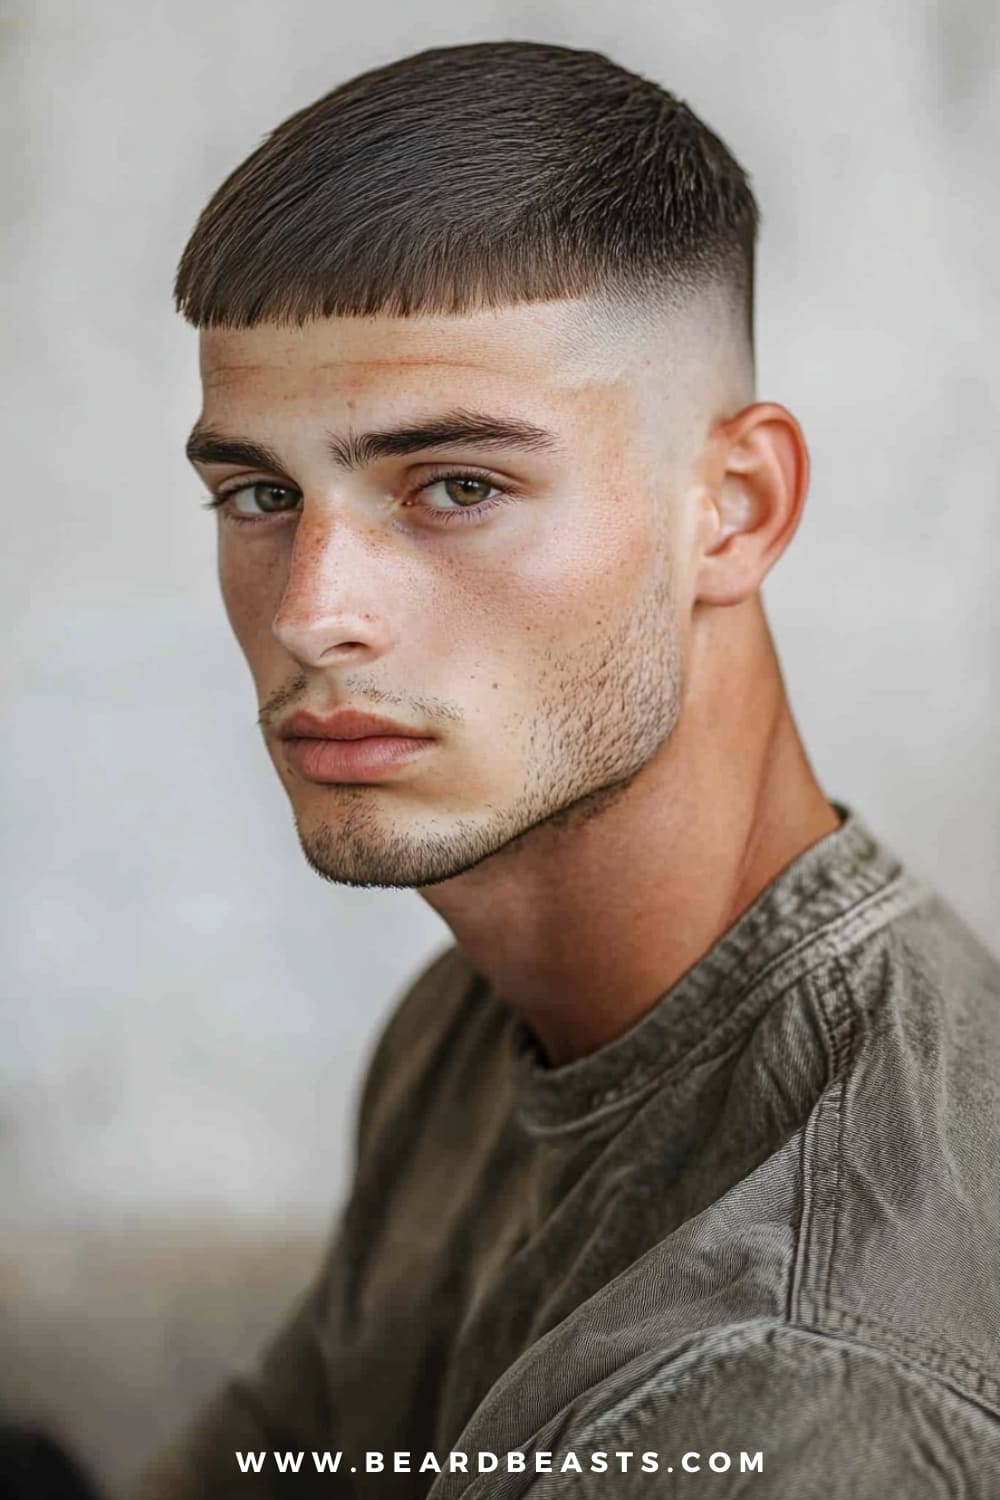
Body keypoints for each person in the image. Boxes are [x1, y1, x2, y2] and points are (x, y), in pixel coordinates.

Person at [133, 40, 1000, 1499]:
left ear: (734, 509)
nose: (309, 611)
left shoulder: (803, 1384)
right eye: (262, 494)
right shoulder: (475, 1018)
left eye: (457, 486)